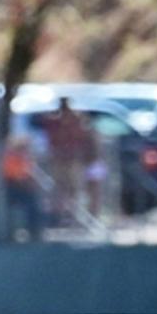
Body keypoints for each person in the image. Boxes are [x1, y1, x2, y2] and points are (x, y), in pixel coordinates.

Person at [41, 97, 97, 226]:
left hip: (73, 160)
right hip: (59, 160)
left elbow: (82, 138)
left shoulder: (75, 120)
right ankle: (58, 217)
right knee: (59, 189)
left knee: (74, 189)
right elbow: (52, 137)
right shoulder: (55, 121)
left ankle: (75, 217)